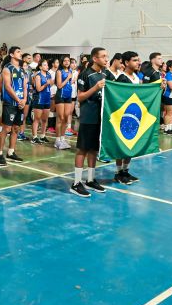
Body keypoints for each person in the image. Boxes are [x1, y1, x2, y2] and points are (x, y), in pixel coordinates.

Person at [71, 47, 110, 197]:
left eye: (107, 56)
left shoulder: (105, 74)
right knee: (83, 148)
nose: (107, 59)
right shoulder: (86, 74)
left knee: (94, 149)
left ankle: (91, 179)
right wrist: (95, 88)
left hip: (100, 117)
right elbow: (80, 97)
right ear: (95, 58)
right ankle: (76, 183)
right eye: (103, 56)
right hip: (88, 117)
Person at [113, 51, 141, 185]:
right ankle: (118, 172)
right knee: (122, 146)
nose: (138, 62)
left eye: (138, 60)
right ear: (126, 63)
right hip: (124, 116)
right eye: (134, 60)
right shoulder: (121, 78)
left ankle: (126, 170)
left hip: (135, 114)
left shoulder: (136, 77)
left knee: (131, 145)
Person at [0, 46, 26, 165]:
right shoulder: (7, 69)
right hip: (10, 102)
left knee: (16, 128)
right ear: (12, 55)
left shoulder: (22, 70)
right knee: (6, 128)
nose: (20, 53)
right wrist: (18, 99)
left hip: (20, 103)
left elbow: (24, 86)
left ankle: (11, 152)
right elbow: (7, 86)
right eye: (18, 51)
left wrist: (24, 100)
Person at [54, 56, 73, 150]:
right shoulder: (59, 71)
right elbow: (59, 85)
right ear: (62, 62)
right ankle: (57, 140)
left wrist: (71, 79)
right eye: (65, 61)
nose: (66, 62)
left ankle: (62, 139)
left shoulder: (70, 71)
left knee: (66, 117)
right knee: (60, 118)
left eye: (68, 61)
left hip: (68, 96)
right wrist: (68, 78)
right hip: (60, 96)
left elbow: (69, 83)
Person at [31, 59, 52, 144]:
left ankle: (42, 136)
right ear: (40, 67)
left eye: (47, 65)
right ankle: (34, 137)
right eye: (44, 65)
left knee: (45, 119)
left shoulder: (49, 74)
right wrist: (46, 84)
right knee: (37, 119)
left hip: (47, 99)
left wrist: (50, 83)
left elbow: (51, 84)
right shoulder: (38, 76)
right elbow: (38, 89)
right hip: (39, 98)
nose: (46, 66)